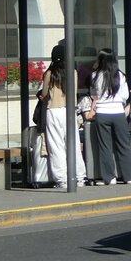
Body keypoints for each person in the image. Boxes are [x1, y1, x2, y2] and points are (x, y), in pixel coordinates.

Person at [38, 44, 87, 188]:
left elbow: (45, 93)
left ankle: (62, 179)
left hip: (53, 110)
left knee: (56, 146)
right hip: (70, 110)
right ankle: (80, 177)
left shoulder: (50, 74)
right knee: (74, 144)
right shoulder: (73, 72)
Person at [90, 50, 131, 185]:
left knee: (105, 147)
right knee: (124, 145)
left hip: (101, 113)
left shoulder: (95, 75)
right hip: (118, 113)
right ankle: (130, 176)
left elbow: (94, 94)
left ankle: (109, 177)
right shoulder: (120, 76)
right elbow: (125, 96)